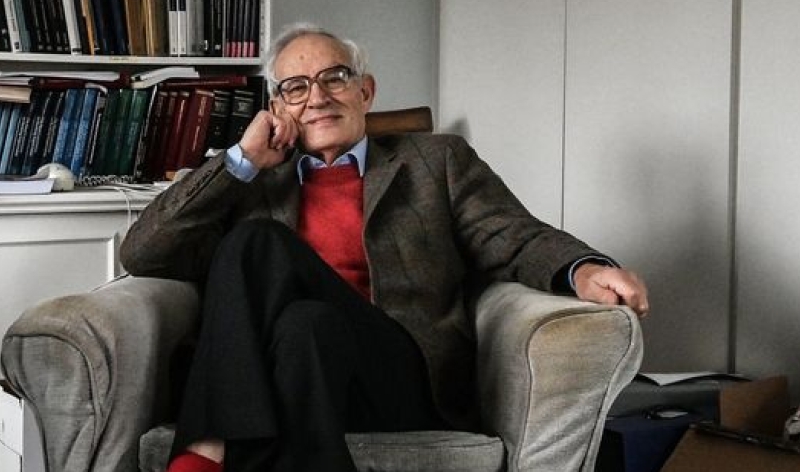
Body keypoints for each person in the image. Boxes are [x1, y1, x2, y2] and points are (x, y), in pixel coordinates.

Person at [119, 23, 651, 472]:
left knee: (258, 243)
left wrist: (581, 268)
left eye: (335, 78)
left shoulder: (434, 162)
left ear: (365, 92)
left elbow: (511, 234)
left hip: (394, 375)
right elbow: (145, 253)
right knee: (305, 325)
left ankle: (203, 450)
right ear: (277, 105)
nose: (318, 97)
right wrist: (239, 161)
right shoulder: (252, 180)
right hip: (294, 368)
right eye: (296, 87)